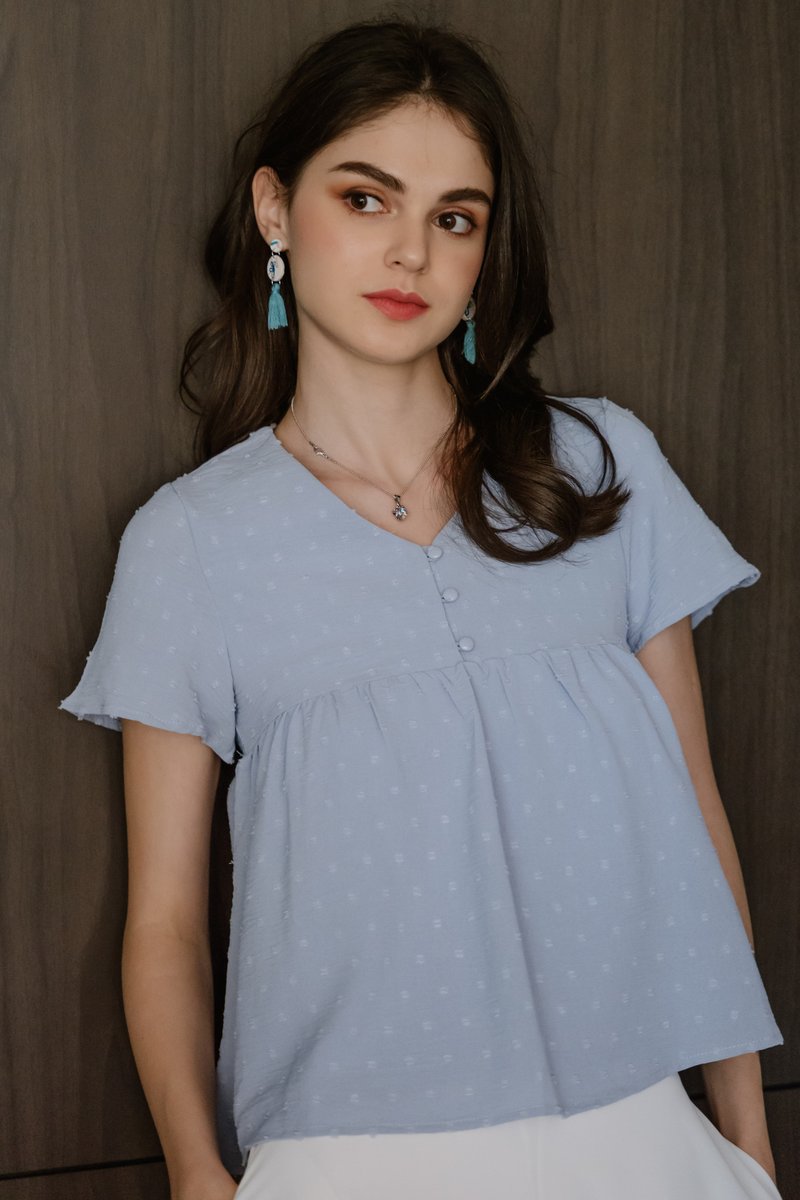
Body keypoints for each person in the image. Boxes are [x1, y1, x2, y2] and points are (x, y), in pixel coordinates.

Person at [58, 16, 784, 1200]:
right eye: (365, 199)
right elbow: (166, 923)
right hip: (347, 1154)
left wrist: (745, 1143)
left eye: (454, 218)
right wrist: (196, 1174)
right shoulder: (191, 543)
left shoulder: (601, 466)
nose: (409, 253)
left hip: (639, 1133)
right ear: (274, 210)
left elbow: (697, 818)